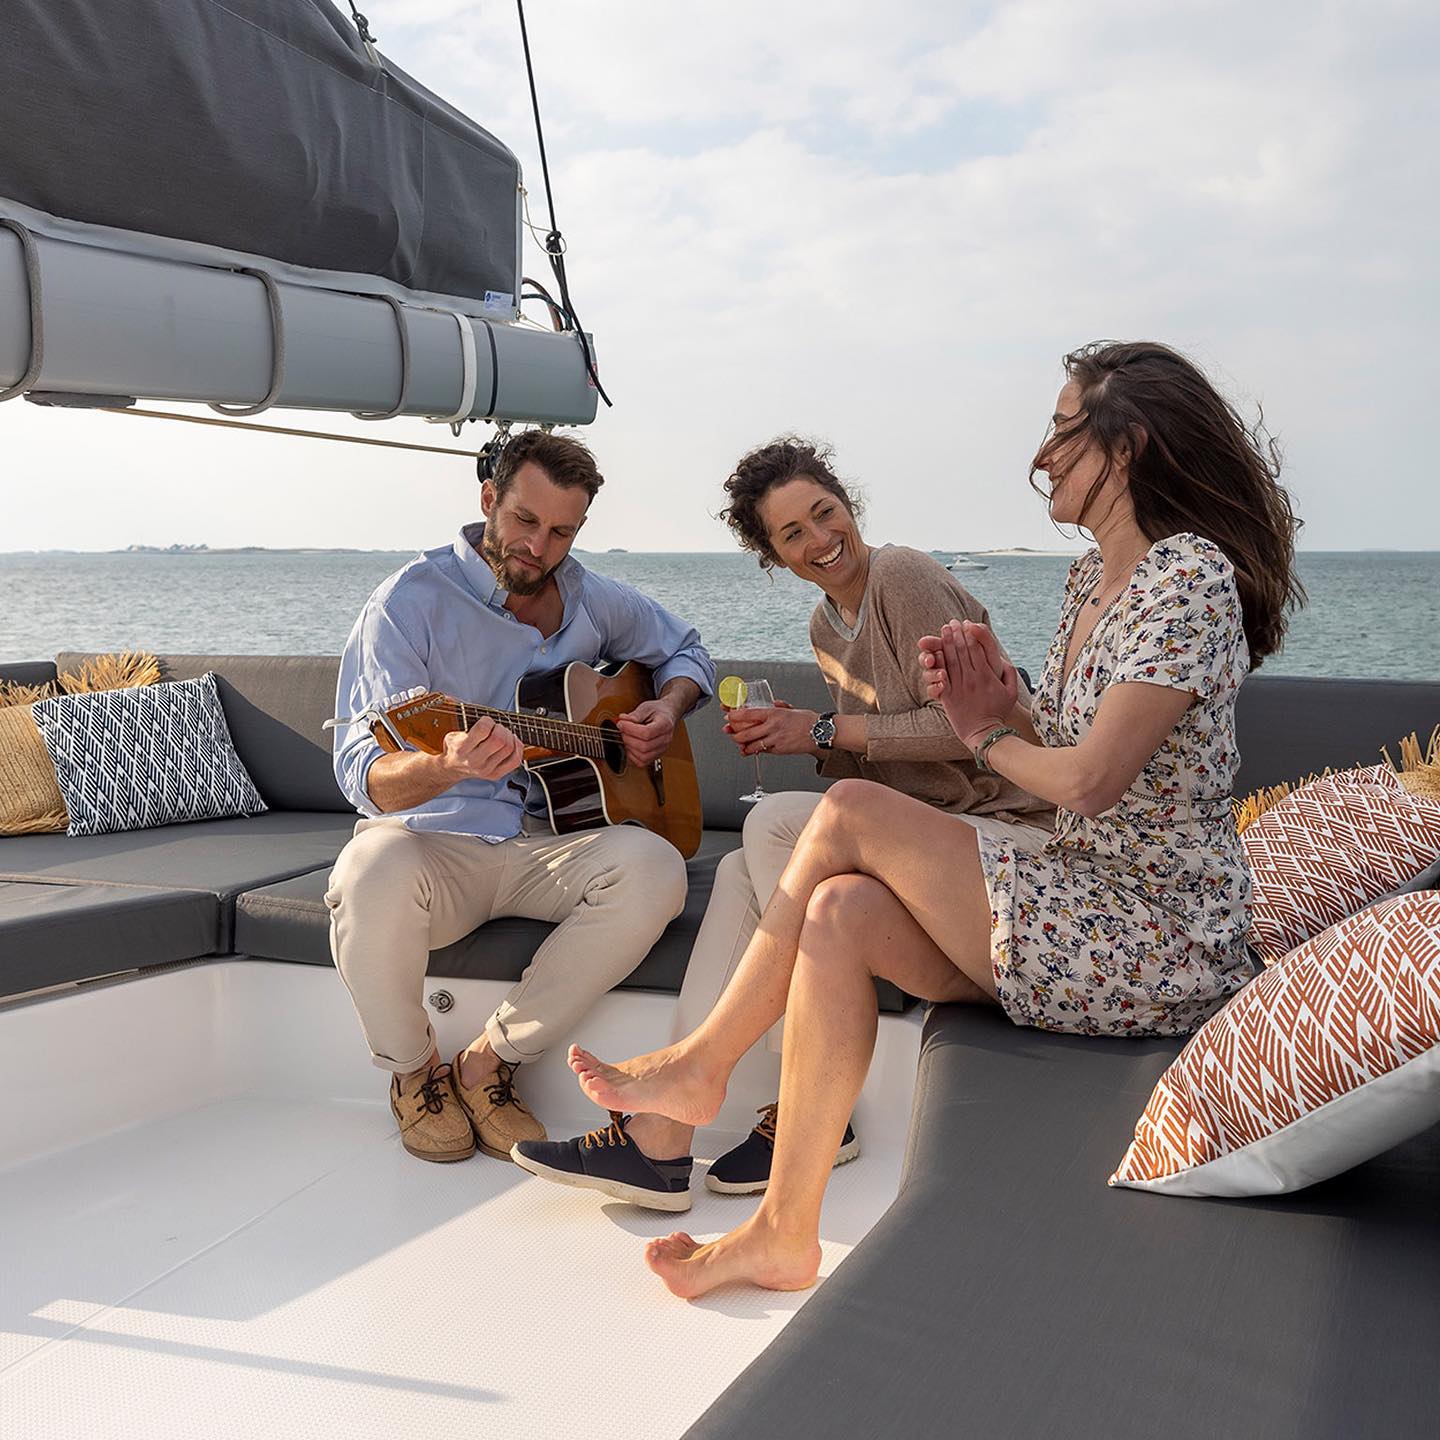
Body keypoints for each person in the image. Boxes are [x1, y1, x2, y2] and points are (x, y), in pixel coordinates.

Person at [560, 340, 1303, 1296]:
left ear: (1128, 445)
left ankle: (701, 1067)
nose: (1040, 455)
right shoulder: (1089, 583)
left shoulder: (1186, 577)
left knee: (846, 813)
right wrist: (1004, 707)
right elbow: (1065, 730)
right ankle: (783, 1230)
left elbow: (1085, 782)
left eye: (1062, 431)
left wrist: (980, 733)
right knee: (838, 914)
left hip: (1152, 933)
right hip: (1073, 900)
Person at [512, 438, 1052, 1210]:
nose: (819, 540)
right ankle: (662, 1138)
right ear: (772, 554)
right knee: (737, 868)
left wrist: (822, 732)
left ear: (848, 504)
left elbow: (968, 730)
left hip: (1010, 832)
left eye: (824, 514)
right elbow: (882, 768)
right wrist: (800, 736)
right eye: (792, 534)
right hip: (935, 835)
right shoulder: (827, 626)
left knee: (767, 834)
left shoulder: (902, 576)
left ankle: (796, 1103)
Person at [326, 429, 714, 1164]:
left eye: (561, 531)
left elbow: (685, 648)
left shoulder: (593, 598)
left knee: (655, 868)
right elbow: (360, 772)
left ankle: (489, 1065)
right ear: (488, 501)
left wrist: (667, 709)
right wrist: (443, 765)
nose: (539, 546)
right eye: (525, 521)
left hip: (553, 843)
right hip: (436, 845)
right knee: (366, 874)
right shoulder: (407, 603)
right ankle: (415, 1076)